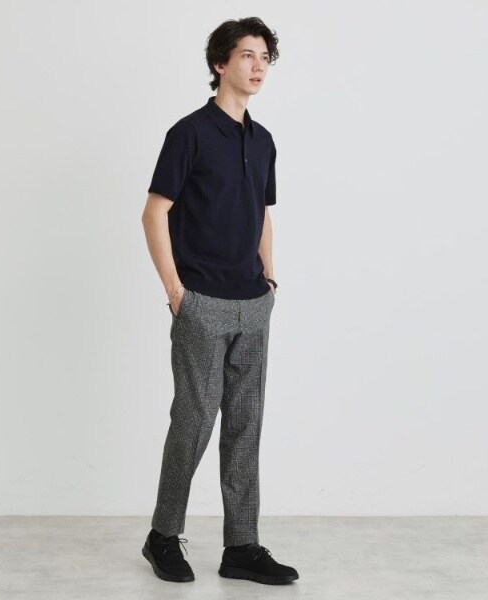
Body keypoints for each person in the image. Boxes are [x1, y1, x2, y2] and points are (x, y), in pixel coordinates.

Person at [140, 16, 299, 585]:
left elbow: (262, 215)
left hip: (253, 302)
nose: (258, 67)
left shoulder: (264, 140)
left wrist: (270, 281)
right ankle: (163, 536)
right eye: (248, 55)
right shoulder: (189, 133)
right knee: (194, 420)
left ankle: (242, 546)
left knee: (246, 425)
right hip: (201, 301)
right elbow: (154, 213)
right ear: (220, 63)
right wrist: (175, 292)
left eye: (265, 58)